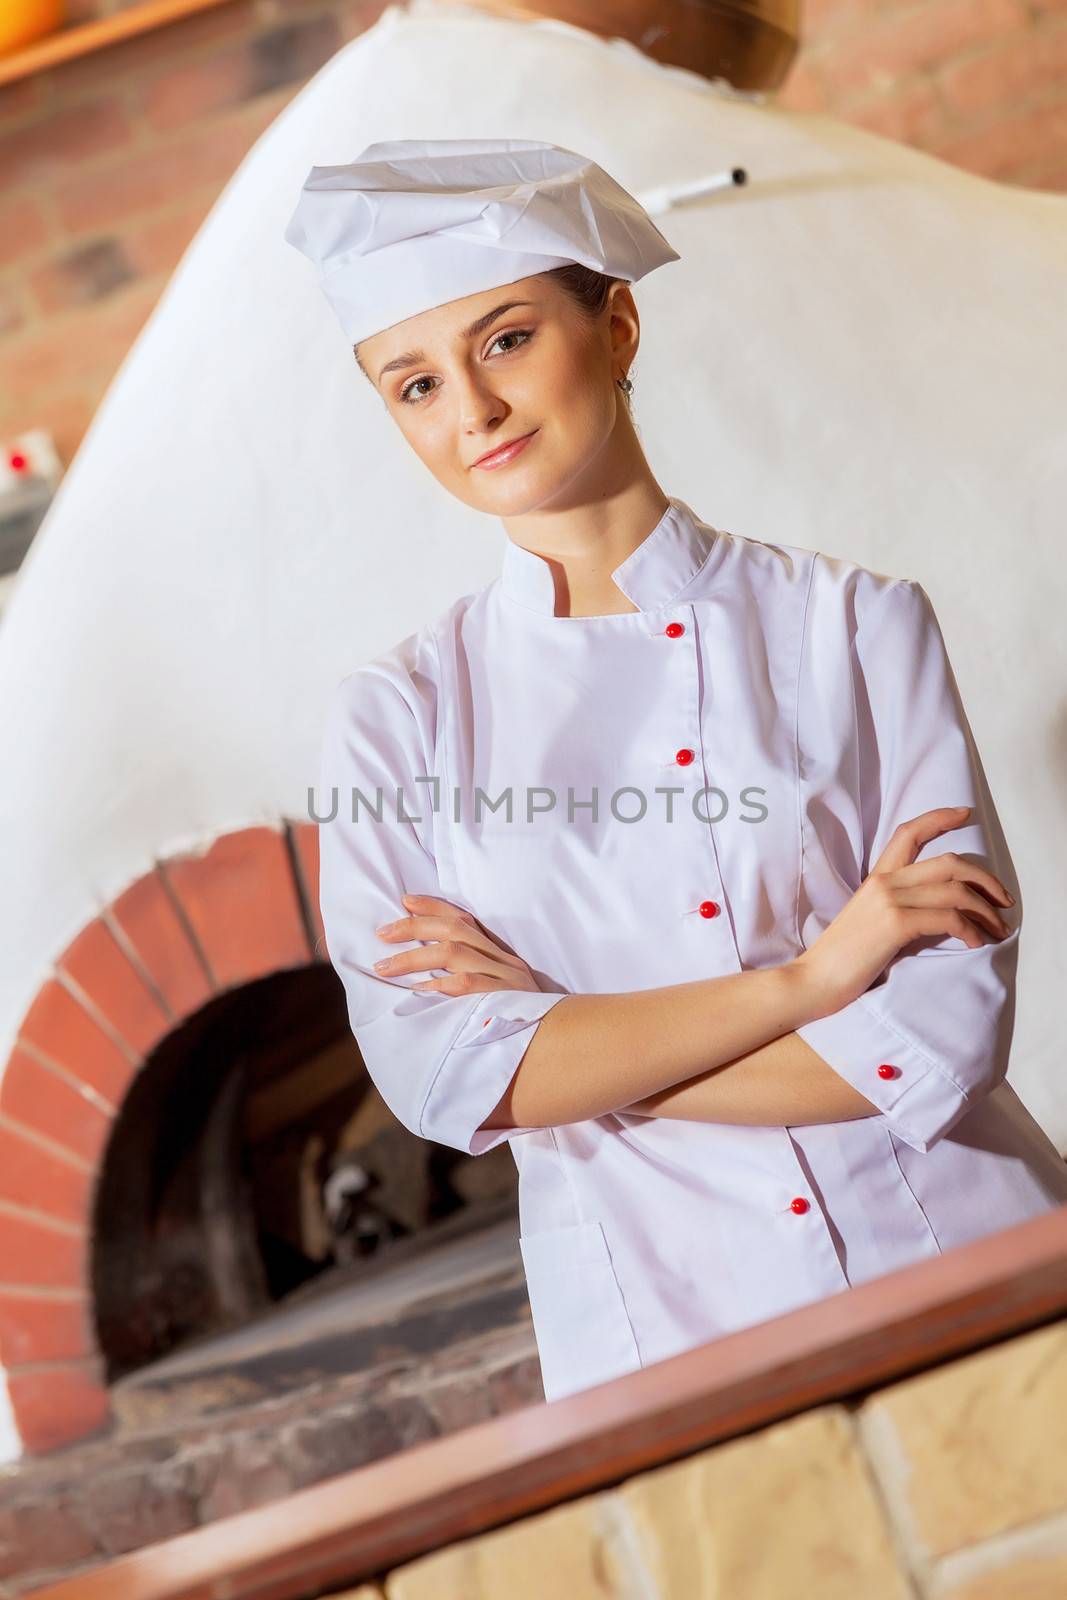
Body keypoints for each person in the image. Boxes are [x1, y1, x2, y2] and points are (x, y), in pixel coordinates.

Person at [287, 138, 1067, 1403]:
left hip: (970, 1255)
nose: (471, 411)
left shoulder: (855, 625)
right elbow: (444, 1076)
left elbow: (938, 1039)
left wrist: (564, 1047)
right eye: (412, 384)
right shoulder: (397, 719)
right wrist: (811, 979)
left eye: (501, 340)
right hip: (668, 1336)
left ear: (617, 324)